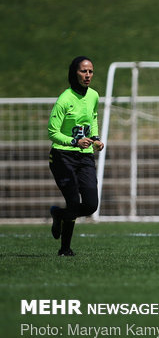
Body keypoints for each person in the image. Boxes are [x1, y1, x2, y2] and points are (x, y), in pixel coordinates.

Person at [48, 56, 104, 256]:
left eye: (90, 71)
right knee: (73, 200)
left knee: (90, 205)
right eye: (83, 71)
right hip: (63, 156)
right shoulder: (65, 99)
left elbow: (94, 117)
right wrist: (74, 142)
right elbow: (52, 132)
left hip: (85, 157)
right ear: (74, 73)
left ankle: (59, 214)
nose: (87, 75)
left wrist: (96, 139)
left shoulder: (94, 96)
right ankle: (65, 249)